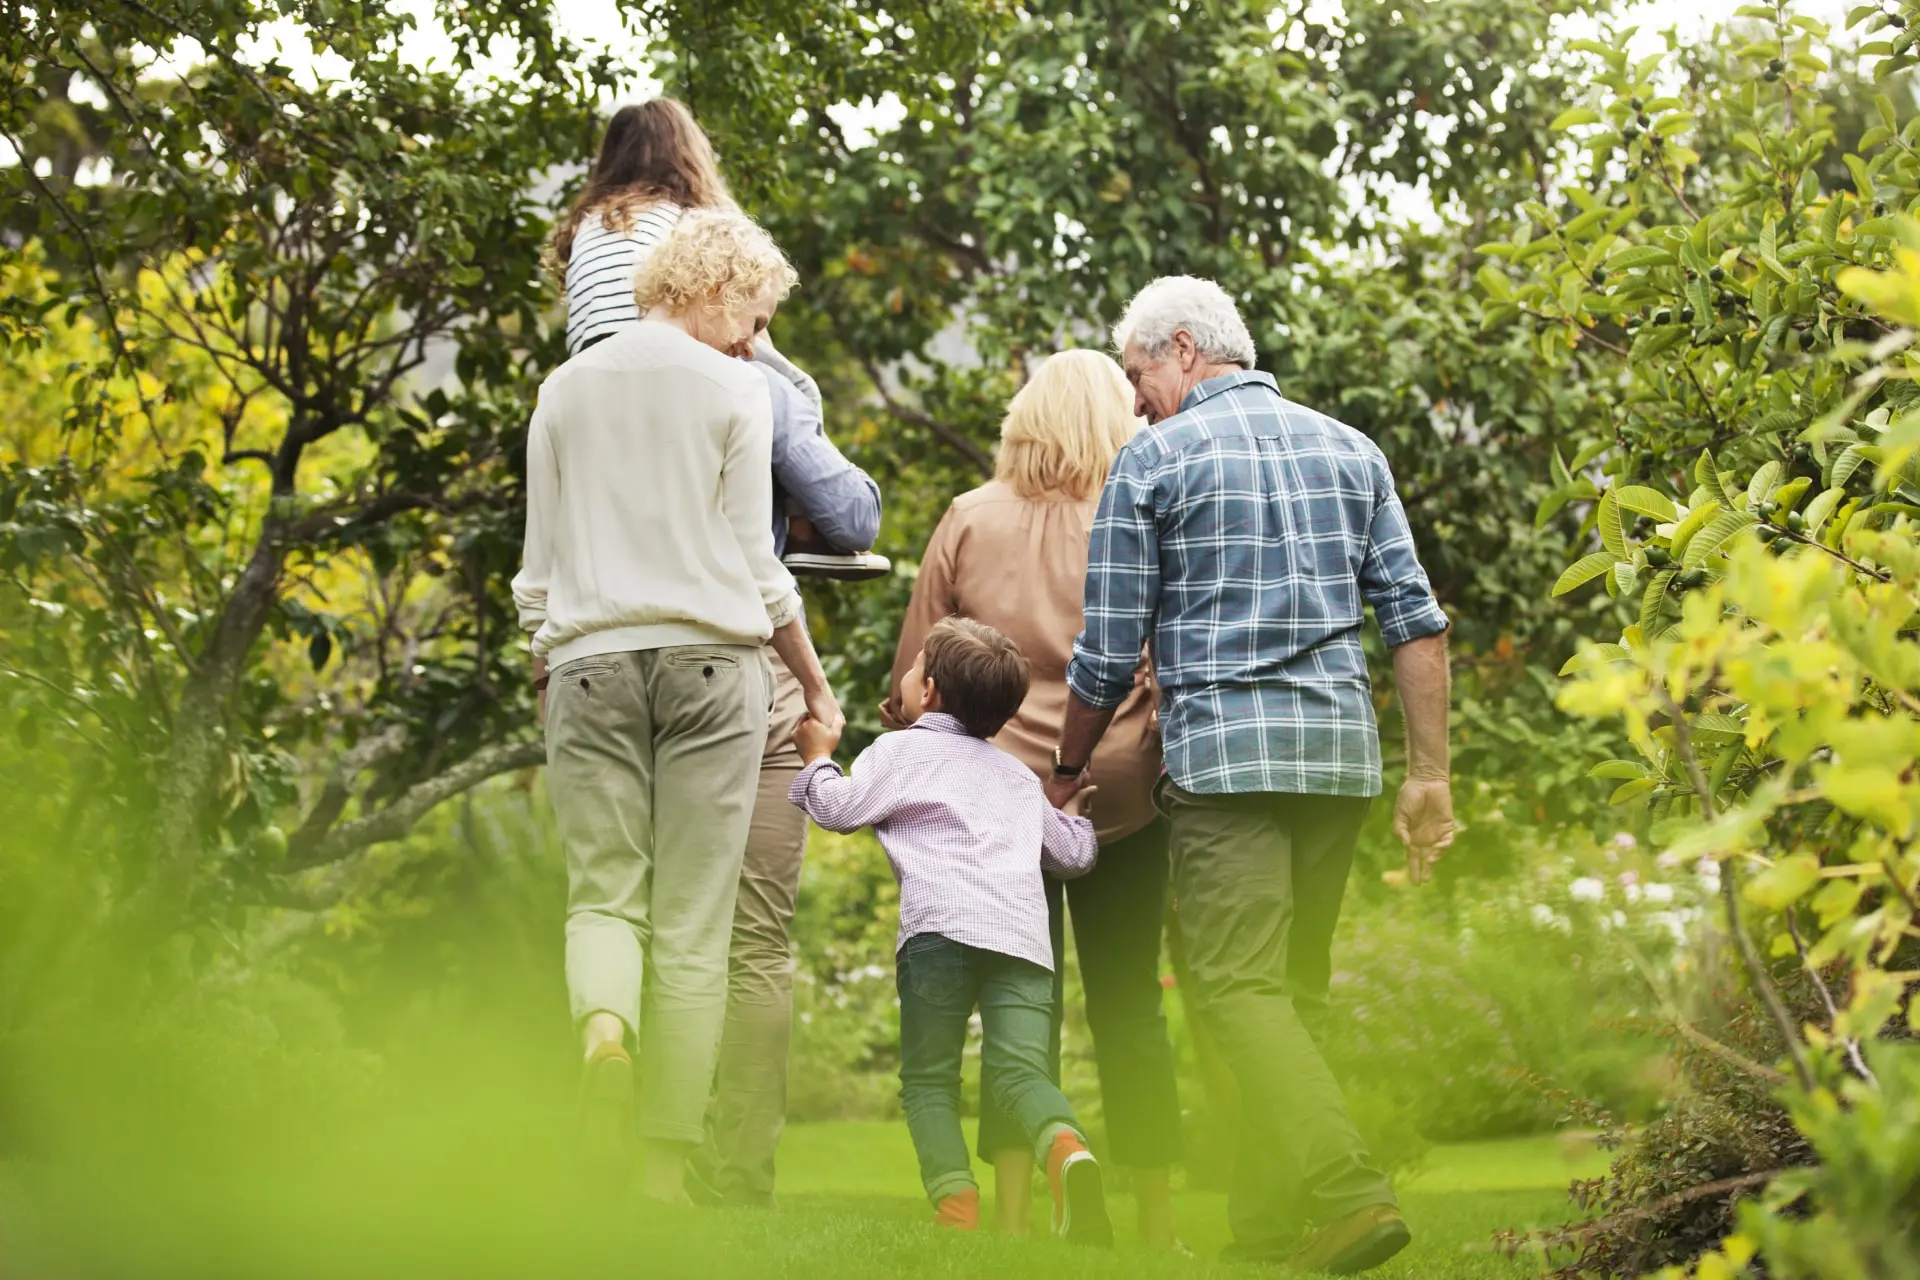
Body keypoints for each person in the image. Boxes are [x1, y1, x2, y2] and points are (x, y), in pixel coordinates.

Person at [1048, 276, 1455, 1272]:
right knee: (1291, 991)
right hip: (1338, 762)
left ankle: (1351, 1190)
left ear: (1184, 348)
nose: (1135, 397)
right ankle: (1271, 1229)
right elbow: (1415, 622)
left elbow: (1106, 651)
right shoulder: (1351, 450)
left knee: (1232, 985)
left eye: (1139, 372)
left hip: (1227, 763)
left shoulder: (1152, 459)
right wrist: (1429, 773)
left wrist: (1065, 763)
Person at [512, 209, 844, 1202]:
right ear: (703, 287)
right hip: (715, 667)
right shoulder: (736, 389)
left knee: (603, 895)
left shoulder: (563, 390)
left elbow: (538, 570)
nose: (752, 338)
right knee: (699, 925)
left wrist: (549, 661)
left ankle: (605, 1040)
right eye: (749, 312)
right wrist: (815, 682)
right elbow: (757, 564)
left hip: (589, 664)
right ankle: (663, 1177)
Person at [884, 349, 1182, 1245]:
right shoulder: (1139, 514)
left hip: (993, 808)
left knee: (1020, 1005)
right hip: (1115, 792)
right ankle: (1160, 1226)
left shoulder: (969, 518)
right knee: (1132, 1002)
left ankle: (1012, 1217)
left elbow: (911, 682)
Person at [790, 618, 1113, 1245]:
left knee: (930, 1078)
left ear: (929, 691)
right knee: (1021, 1075)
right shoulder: (1017, 776)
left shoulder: (898, 751)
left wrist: (819, 759)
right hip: (1022, 940)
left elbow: (838, 810)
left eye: (911, 671)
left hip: (939, 933)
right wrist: (1071, 814)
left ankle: (956, 1206)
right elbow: (1072, 858)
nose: (905, 680)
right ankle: (1067, 1149)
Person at [548, 96, 887, 581]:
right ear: (687, 153)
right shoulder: (688, 220)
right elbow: (733, 316)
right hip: (672, 350)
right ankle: (804, 527)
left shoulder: (585, 228)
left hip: (597, 374)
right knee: (794, 386)